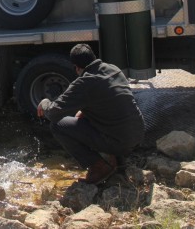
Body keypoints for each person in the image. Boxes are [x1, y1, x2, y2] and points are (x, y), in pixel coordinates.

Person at [37, 44, 145, 184]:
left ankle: (98, 167)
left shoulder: (85, 82)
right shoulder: (114, 69)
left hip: (120, 141)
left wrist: (45, 102)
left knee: (58, 126)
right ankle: (118, 161)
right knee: (102, 119)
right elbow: (111, 102)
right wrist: (85, 111)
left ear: (76, 67)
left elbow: (53, 114)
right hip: (138, 133)